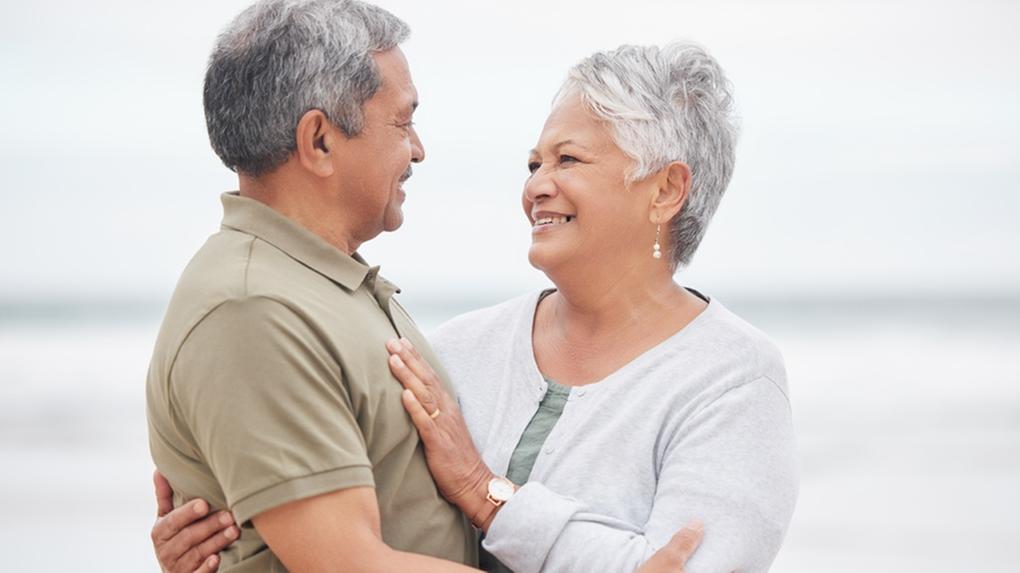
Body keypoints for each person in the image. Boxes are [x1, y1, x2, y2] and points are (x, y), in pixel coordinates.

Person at [145, 0, 704, 572]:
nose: (418, 148)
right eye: (403, 120)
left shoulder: (329, 289)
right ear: (319, 141)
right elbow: (351, 565)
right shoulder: (255, 309)